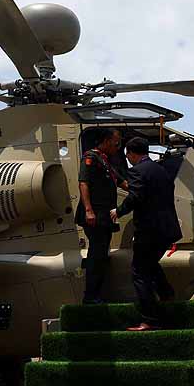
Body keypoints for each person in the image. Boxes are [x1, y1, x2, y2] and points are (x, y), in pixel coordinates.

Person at [110, 136, 182, 330]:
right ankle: (166, 294)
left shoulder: (137, 171)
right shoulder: (161, 170)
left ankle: (148, 319)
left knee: (139, 272)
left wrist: (118, 211)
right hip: (168, 229)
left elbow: (135, 196)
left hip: (149, 231)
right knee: (149, 264)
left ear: (132, 154)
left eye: (128, 155)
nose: (128, 159)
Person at [75, 128, 126, 304]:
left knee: (102, 253)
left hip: (104, 216)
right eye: (116, 143)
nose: (118, 147)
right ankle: (90, 296)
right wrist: (89, 210)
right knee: (96, 254)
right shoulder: (91, 157)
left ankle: (96, 294)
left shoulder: (106, 161)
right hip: (94, 215)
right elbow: (84, 183)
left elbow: (121, 181)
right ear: (105, 140)